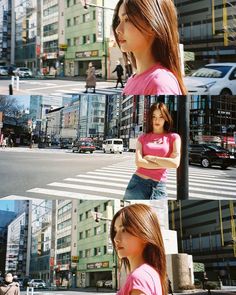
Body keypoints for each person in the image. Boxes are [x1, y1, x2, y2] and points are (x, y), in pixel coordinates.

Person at [112, 0, 187, 95]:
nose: (118, 29)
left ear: (152, 25)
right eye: (119, 20)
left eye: (127, 19)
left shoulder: (160, 82)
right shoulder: (133, 79)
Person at [124, 102, 181, 200]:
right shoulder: (142, 137)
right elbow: (139, 162)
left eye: (161, 116)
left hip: (159, 186)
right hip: (138, 183)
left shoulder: (173, 137)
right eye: (154, 116)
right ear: (150, 118)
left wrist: (151, 158)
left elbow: (175, 163)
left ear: (166, 118)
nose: (157, 120)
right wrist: (166, 163)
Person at [110, 203, 167, 295]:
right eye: (116, 231)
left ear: (144, 235)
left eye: (124, 230)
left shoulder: (139, 277)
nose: (116, 239)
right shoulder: (151, 273)